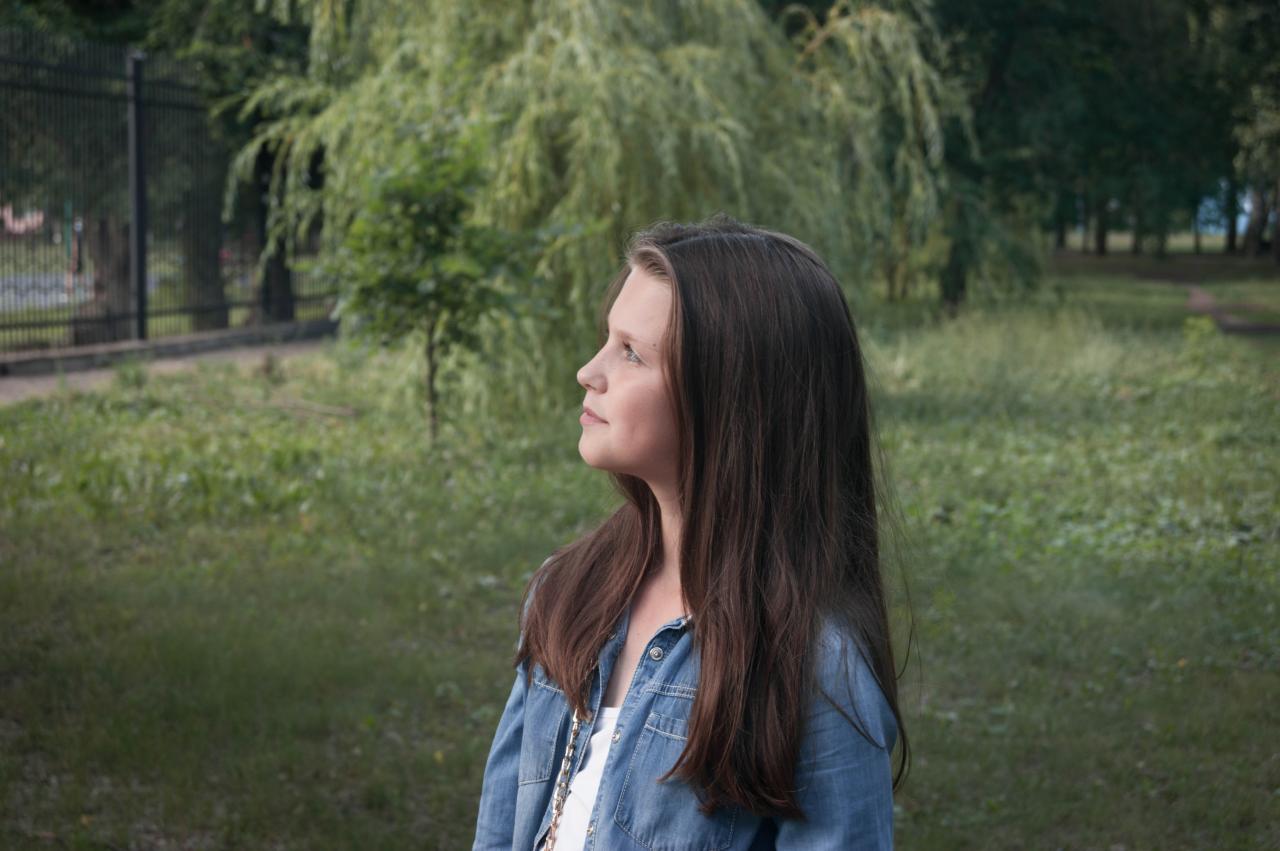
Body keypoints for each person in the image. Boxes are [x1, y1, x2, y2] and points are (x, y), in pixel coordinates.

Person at [472, 214, 910, 850]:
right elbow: (498, 828)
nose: (589, 371)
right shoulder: (565, 594)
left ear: (731, 397)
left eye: (631, 353)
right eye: (607, 340)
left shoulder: (812, 669)